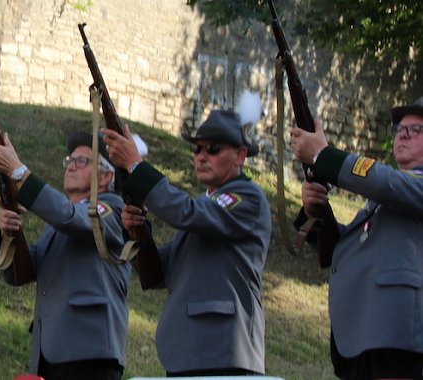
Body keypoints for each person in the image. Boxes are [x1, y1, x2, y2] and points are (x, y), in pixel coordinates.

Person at [104, 100, 271, 377]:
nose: (202, 156)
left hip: (225, 353)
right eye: (197, 149)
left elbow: (185, 212)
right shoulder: (203, 208)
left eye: (213, 149)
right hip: (188, 353)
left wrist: (136, 165)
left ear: (241, 156)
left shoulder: (246, 197)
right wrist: (136, 229)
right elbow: (157, 273)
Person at [290, 96, 423, 380]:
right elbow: (348, 246)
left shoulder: (398, 189)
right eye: (399, 129)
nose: (402, 135)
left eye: (415, 130)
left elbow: (383, 180)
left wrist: (323, 156)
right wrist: (316, 212)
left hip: (399, 342)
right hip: (366, 340)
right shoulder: (390, 198)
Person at [0, 131, 131, 380]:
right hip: (52, 352)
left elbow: (70, 217)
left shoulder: (112, 208)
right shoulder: (60, 220)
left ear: (107, 176)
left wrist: (18, 172)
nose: (71, 166)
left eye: (82, 161)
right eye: (69, 160)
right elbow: (22, 273)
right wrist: (11, 233)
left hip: (89, 353)